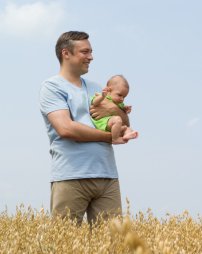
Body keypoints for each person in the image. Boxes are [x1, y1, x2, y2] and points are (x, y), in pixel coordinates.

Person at [39, 31, 129, 224]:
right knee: (66, 243)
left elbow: (125, 124)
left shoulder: (99, 88)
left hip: (107, 175)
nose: (91, 57)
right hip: (71, 175)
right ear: (66, 53)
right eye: (85, 52)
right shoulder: (52, 87)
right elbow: (66, 129)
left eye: (91, 51)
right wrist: (109, 137)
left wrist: (115, 110)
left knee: (112, 245)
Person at [91, 75, 138, 144]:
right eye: (119, 95)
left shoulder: (119, 103)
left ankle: (127, 135)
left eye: (124, 97)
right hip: (102, 123)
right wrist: (102, 96)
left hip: (111, 124)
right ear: (109, 90)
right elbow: (94, 102)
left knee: (127, 128)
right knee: (118, 120)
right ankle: (115, 139)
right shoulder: (101, 96)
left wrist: (126, 109)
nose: (122, 99)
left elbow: (123, 112)